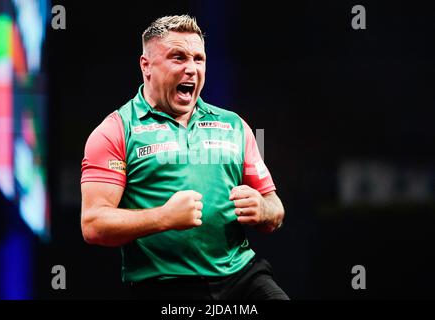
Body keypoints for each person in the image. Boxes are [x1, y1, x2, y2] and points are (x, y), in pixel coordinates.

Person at [80, 15, 289, 300]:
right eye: (178, 58)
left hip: (242, 276)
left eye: (198, 59)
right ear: (147, 66)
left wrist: (263, 209)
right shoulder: (116, 130)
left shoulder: (234, 125)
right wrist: (163, 218)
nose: (191, 69)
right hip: (165, 284)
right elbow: (93, 224)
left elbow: (275, 207)